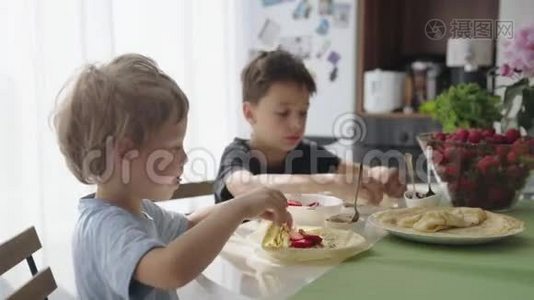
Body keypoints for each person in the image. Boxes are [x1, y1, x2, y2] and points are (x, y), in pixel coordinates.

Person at [53, 54, 291, 299]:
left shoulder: (137, 209)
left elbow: (188, 225)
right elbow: (170, 269)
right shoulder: (105, 227)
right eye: (174, 148)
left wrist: (246, 205)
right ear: (125, 153)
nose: (185, 158)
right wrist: (240, 209)